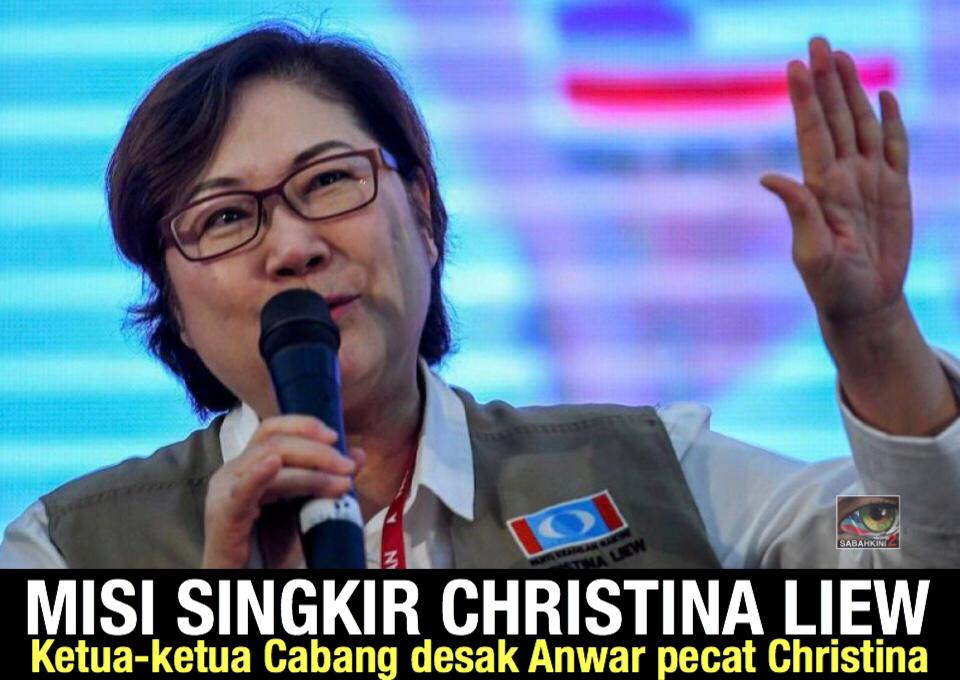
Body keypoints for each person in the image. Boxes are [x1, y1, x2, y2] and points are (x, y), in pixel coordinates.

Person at [1, 24, 958, 569]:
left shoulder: (661, 472)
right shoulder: (66, 551)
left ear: (424, 214)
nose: (293, 245)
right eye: (224, 218)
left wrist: (876, 338)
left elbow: (894, 543)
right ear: (170, 307)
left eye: (328, 181)